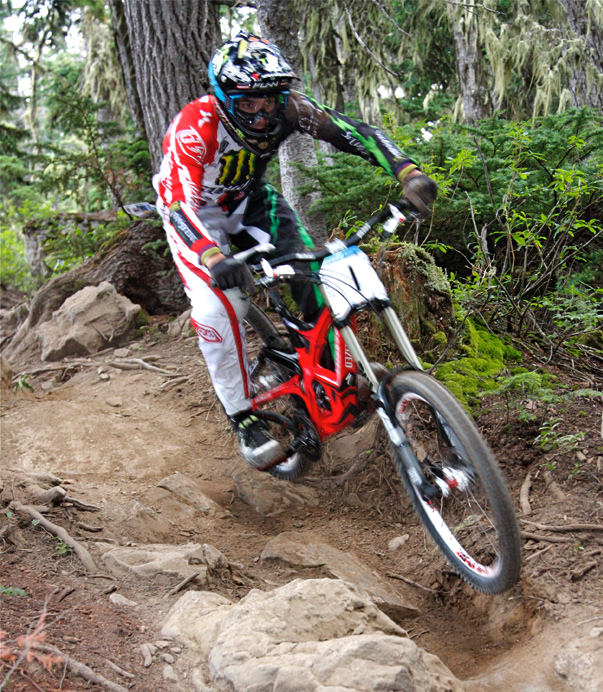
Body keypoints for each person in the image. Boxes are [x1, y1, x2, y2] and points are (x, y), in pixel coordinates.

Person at [153, 31, 437, 470]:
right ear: (226, 99)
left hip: (249, 201)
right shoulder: (197, 124)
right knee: (217, 307)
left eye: (270, 100)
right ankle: (244, 417)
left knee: (317, 276)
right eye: (249, 103)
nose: (263, 113)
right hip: (194, 214)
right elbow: (176, 203)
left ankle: (329, 378)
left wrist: (408, 172)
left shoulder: (290, 108)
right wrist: (212, 257)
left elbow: (351, 132)